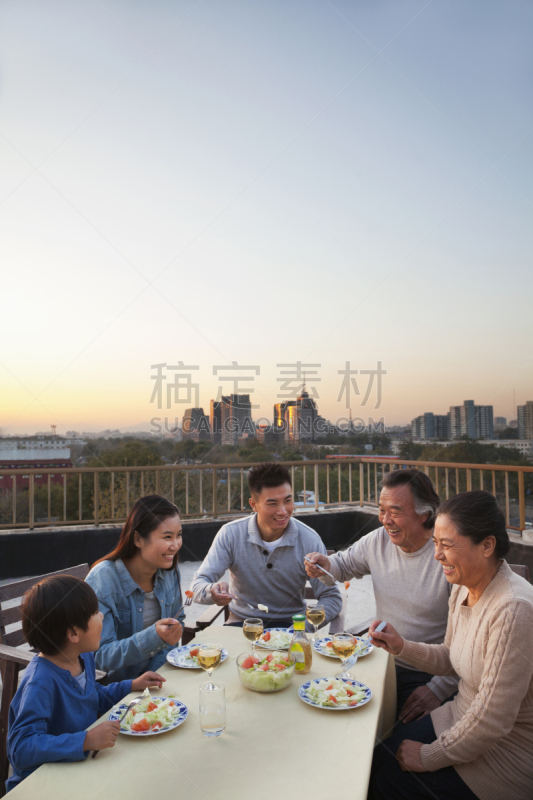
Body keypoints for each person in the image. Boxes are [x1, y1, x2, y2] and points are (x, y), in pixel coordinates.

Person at [367, 490, 533, 800]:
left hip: (505, 752)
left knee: (389, 782)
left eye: (447, 545)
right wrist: (401, 645)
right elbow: (451, 657)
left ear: (487, 545)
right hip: (460, 717)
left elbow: (492, 720)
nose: (437, 556)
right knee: (373, 762)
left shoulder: (513, 608)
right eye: (435, 544)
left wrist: (429, 756)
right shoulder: (464, 586)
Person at [305, 468, 457, 720]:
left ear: (425, 514)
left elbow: (471, 646)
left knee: (389, 739)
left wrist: (438, 689)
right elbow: (342, 566)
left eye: (396, 511)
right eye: (382, 510)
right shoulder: (378, 540)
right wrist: (324, 564)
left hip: (428, 673)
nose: (385, 519)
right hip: (379, 662)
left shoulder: (448, 557)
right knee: (326, 703)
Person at [7, 576, 165, 792]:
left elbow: (93, 696)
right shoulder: (40, 683)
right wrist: (85, 740)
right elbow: (21, 748)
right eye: (95, 613)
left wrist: (131, 685)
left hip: (82, 770)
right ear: (73, 633)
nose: (101, 616)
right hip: (45, 786)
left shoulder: (83, 657)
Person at [191, 463, 342, 627]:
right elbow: (198, 585)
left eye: (288, 500)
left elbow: (331, 597)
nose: (283, 511)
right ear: (253, 505)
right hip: (244, 624)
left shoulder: (309, 539)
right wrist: (211, 592)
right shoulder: (231, 534)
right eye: (272, 503)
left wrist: (304, 625)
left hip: (293, 625)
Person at [86, 495, 184, 682]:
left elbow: (179, 620)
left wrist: (155, 673)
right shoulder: (103, 579)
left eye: (178, 535)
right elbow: (98, 656)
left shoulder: (168, 567)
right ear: (138, 539)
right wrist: (154, 638)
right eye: (167, 537)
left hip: (160, 677)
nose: (175, 545)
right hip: (115, 689)